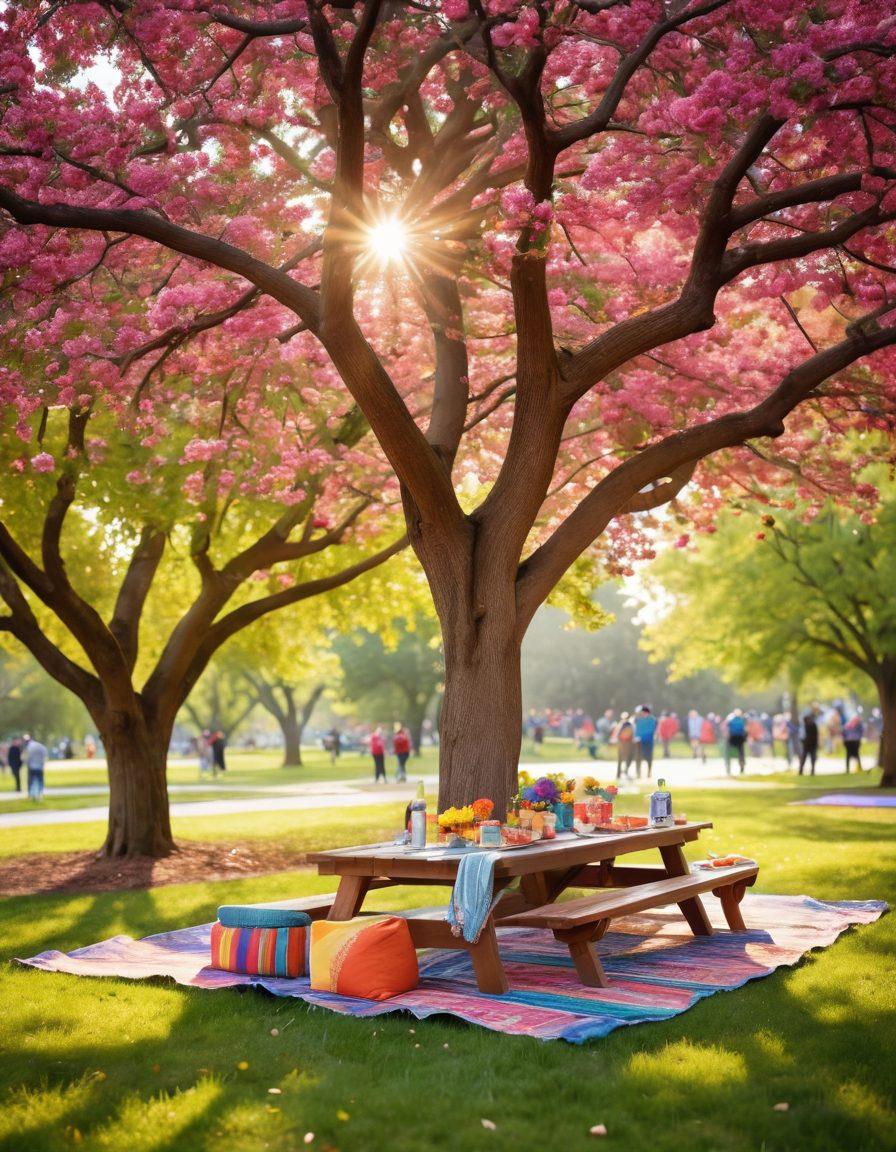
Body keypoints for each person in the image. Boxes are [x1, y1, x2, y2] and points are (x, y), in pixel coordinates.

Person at [634, 704, 658, 778]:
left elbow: (651, 730)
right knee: (638, 758)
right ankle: (638, 773)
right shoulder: (638, 719)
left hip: (648, 741)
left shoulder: (652, 719)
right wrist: (636, 737)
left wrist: (641, 736)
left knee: (649, 757)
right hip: (639, 741)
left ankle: (649, 772)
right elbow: (637, 730)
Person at [23, 733, 48, 801]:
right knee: (40, 781)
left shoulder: (29, 747)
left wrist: (26, 763)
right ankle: (39, 794)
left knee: (32, 781)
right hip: (39, 766)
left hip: (32, 767)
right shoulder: (41, 746)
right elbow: (45, 754)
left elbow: (28, 758)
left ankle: (32, 795)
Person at [611, 712, 635, 779]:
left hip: (621, 744)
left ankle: (618, 774)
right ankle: (624, 772)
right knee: (628, 758)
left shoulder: (620, 724)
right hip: (627, 744)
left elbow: (616, 735)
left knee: (620, 759)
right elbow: (632, 734)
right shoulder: (629, 725)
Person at [724, 709, 747, 774]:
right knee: (741, 752)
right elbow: (745, 730)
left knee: (727, 751)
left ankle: (727, 764)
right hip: (740, 738)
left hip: (732, 738)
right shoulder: (742, 720)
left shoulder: (730, 719)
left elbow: (726, 727)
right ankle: (742, 764)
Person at [798, 707, 819, 776]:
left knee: (811, 757)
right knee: (804, 757)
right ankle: (801, 770)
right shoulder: (805, 726)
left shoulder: (812, 725)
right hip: (807, 744)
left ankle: (811, 770)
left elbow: (815, 736)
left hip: (811, 744)